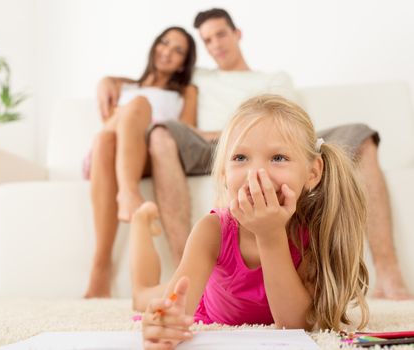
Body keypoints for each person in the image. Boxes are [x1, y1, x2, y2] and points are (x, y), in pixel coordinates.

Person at [98, 8, 410, 300]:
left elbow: (289, 127)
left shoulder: (274, 79)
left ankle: (389, 273)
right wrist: (108, 80)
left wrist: (271, 148)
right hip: (214, 144)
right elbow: (155, 77)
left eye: (220, 34)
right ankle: (190, 269)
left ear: (237, 34)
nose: (215, 44)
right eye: (207, 40)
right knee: (162, 132)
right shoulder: (199, 78)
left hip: (274, 138)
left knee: (362, 134)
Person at [134, 94, 370, 348]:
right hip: (207, 301)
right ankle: (141, 221)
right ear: (225, 174)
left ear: (312, 173)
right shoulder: (211, 231)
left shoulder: (314, 230)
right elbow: (176, 310)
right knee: (143, 296)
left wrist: (270, 235)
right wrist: (165, 322)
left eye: (278, 158)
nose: (256, 173)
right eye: (240, 158)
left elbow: (294, 325)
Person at [83, 26, 197, 298]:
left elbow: (186, 131)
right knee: (105, 140)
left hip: (151, 152)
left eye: (178, 50)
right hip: (111, 150)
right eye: (164, 42)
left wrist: (138, 110)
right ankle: (101, 265)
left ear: (184, 62)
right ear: (155, 44)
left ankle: (127, 194)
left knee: (139, 105)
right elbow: (107, 128)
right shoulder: (123, 87)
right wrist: (122, 98)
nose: (167, 51)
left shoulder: (186, 91)